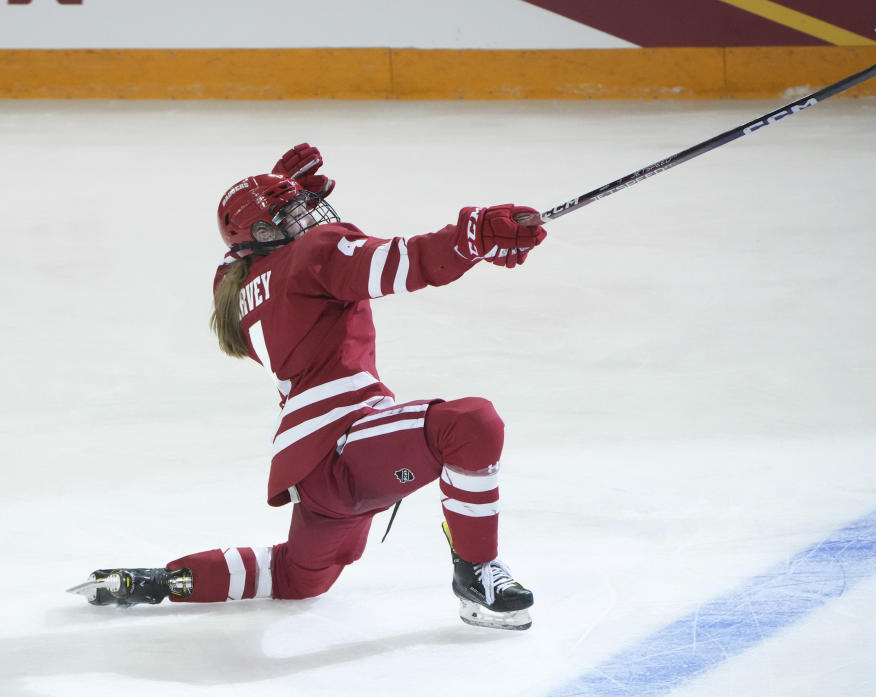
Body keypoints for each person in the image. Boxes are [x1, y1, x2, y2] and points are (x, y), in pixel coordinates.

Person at [68, 143, 547, 631]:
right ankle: (477, 572)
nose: (309, 217)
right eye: (292, 214)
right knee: (469, 425)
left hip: (313, 472)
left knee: (298, 577)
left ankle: (151, 582)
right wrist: (471, 238)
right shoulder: (313, 255)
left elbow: (245, 257)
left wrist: (273, 197)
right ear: (264, 232)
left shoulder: (233, 288)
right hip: (347, 443)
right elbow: (407, 260)